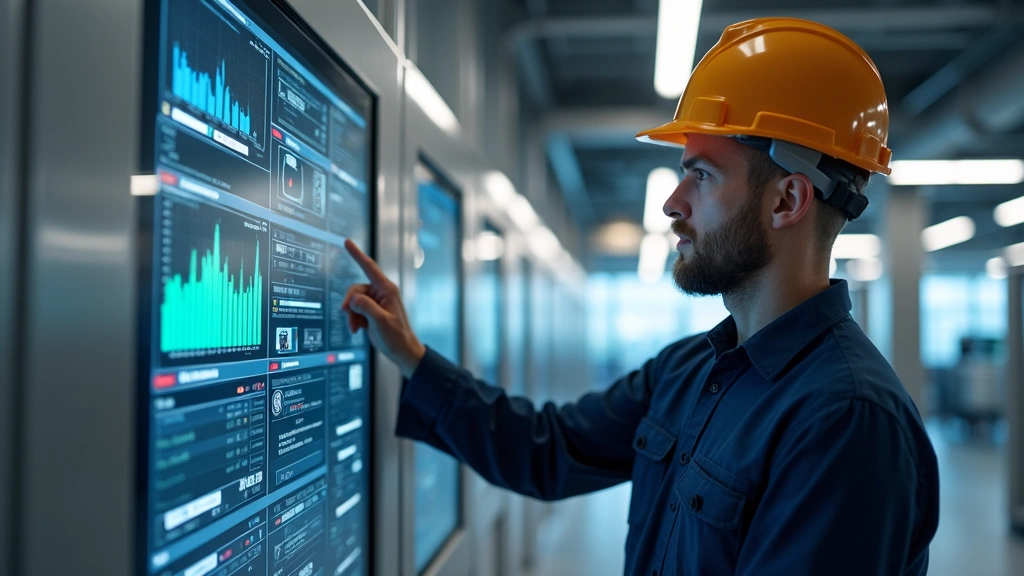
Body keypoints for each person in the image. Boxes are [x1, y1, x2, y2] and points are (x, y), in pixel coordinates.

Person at [342, 17, 939, 576]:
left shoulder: (847, 422)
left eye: (702, 174)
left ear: (787, 200)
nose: (672, 203)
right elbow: (550, 448)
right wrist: (411, 357)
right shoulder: (688, 370)